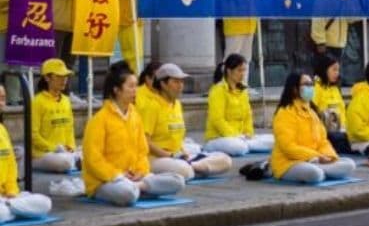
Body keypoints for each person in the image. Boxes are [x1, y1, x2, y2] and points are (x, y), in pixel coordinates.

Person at [82, 62, 185, 206]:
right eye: (130, 86)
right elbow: (93, 159)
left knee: (178, 180)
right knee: (127, 194)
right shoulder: (99, 120)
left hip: (134, 177)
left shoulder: (135, 116)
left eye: (136, 86)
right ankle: (140, 189)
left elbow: (142, 151)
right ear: (117, 90)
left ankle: (139, 188)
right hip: (106, 181)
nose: (135, 90)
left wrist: (140, 171)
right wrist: (118, 175)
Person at [140, 63, 232, 180]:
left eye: (182, 82)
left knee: (226, 160)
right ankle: (195, 168)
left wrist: (183, 154)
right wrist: (170, 155)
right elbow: (144, 141)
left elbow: (178, 139)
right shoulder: (152, 106)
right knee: (184, 170)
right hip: (156, 158)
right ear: (163, 84)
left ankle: (194, 166)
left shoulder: (177, 104)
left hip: (179, 156)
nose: (181, 86)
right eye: (176, 82)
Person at [271, 72, 356, 184]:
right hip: (290, 162)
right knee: (315, 174)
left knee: (350, 164)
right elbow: (288, 147)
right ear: (295, 89)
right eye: (306, 84)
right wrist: (317, 157)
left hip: (316, 160)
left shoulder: (312, 113)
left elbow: (323, 141)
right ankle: (322, 170)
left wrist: (329, 156)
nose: (310, 88)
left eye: (311, 84)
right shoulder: (285, 113)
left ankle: (322, 169)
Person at [0, 85, 53, 222]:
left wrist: (11, 191)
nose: (2, 103)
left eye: (3, 99)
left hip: (6, 197)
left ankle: (9, 207)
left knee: (45, 203)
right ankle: (11, 209)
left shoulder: (2, 130)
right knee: (2, 213)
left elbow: (11, 166)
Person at [204, 54, 273, 156]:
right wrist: (235, 136)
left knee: (275, 140)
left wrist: (248, 134)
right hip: (219, 138)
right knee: (239, 147)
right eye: (239, 70)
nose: (243, 74)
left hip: (241, 138)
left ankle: (248, 144)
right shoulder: (218, 90)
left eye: (244, 70)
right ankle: (248, 145)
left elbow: (247, 116)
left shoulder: (242, 90)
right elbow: (217, 120)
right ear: (229, 71)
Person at [32, 59, 78, 173]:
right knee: (64, 162)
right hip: (42, 154)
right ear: (47, 78)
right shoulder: (37, 102)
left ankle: (74, 160)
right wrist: (54, 148)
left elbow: (69, 129)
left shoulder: (66, 101)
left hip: (64, 152)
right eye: (59, 76)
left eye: (65, 76)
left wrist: (71, 147)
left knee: (89, 154)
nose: (64, 80)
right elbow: (33, 134)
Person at [313, 54, 350, 154]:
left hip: (340, 130)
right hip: (325, 133)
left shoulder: (334, 88)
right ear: (324, 69)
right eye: (334, 70)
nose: (337, 73)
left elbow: (342, 111)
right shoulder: (316, 87)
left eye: (338, 70)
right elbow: (312, 111)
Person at [0, 0, 20, 104]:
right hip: (2, 26)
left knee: (15, 63)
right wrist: (14, 0)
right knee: (2, 64)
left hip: (17, 27)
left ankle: (13, 98)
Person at [222, 18, 256, 84]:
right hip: (235, 25)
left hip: (250, 25)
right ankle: (227, 88)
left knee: (245, 60)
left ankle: (242, 87)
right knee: (230, 60)